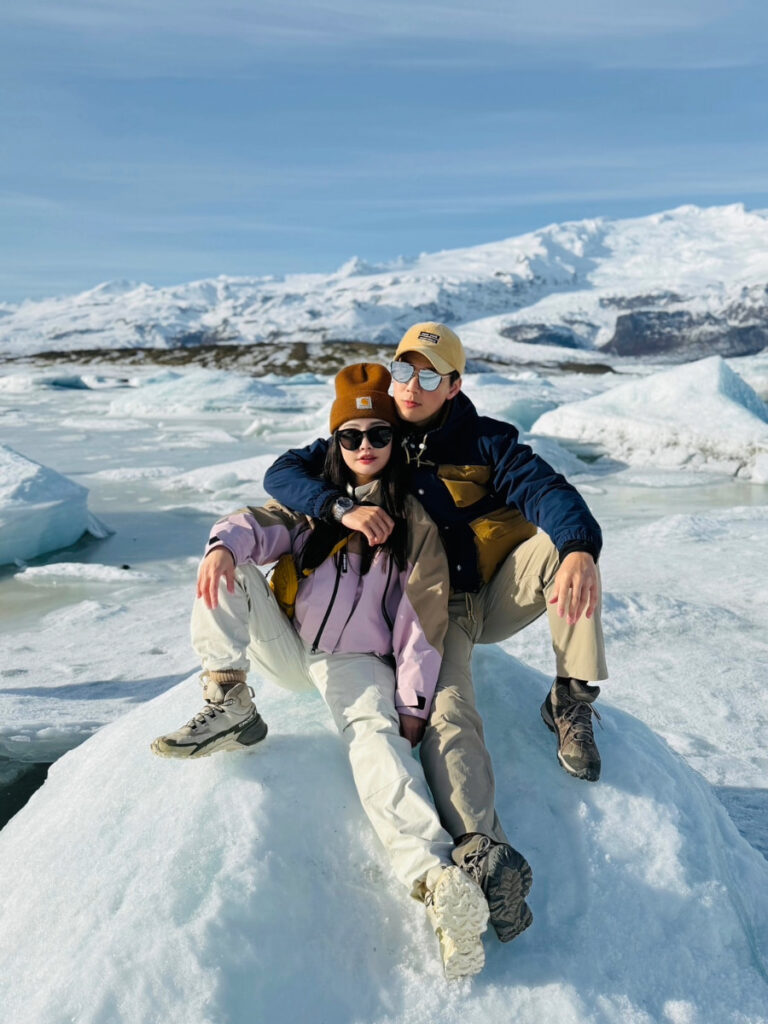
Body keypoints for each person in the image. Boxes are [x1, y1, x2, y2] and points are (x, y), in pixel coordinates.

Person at [263, 321, 608, 945]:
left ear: (453, 385)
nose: (411, 387)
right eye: (403, 371)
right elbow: (284, 474)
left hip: (482, 595)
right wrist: (338, 507)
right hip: (416, 609)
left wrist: (581, 546)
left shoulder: (487, 443)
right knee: (449, 710)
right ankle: (485, 851)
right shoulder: (371, 432)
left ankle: (570, 697)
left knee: (569, 551)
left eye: (428, 376)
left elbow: (550, 494)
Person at [151, 363, 496, 980]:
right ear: (335, 442)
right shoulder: (316, 503)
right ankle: (229, 698)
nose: (366, 447)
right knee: (225, 566)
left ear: (395, 441)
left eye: (379, 435)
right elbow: (258, 523)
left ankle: (437, 881)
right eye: (351, 437)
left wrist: (414, 705)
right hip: (291, 643)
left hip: (355, 661)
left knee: (374, 744)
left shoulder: (416, 523)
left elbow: (423, 622)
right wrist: (224, 544)